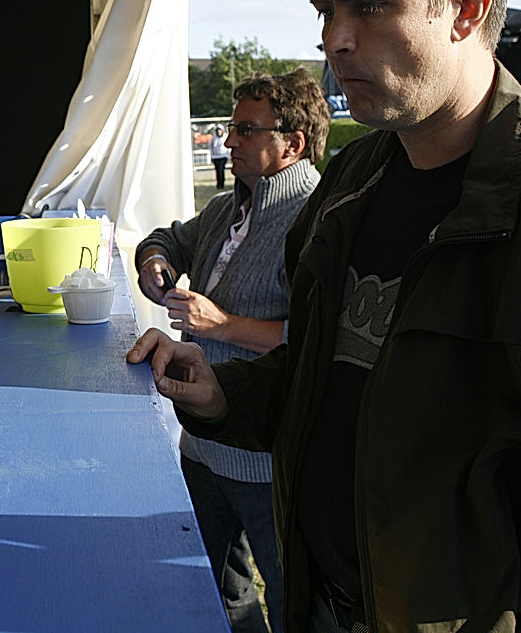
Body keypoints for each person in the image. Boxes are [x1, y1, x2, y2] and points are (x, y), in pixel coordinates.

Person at [129, 0, 521, 632]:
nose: (335, 41)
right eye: (325, 11)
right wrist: (224, 396)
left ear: (467, 6)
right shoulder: (353, 183)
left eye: (370, 7)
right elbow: (327, 377)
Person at [137, 68, 329, 633]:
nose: (228, 142)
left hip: (267, 458)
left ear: (292, 143)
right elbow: (168, 237)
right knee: (215, 587)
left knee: (293, 596)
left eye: (246, 130)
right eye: (230, 127)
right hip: (202, 443)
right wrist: (155, 262)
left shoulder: (318, 219)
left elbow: (321, 341)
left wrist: (221, 324)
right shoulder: (228, 206)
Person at [209, 123, 230, 190]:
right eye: (217, 130)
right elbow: (211, 147)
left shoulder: (225, 137)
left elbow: (228, 147)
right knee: (218, 171)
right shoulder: (213, 138)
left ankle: (222, 183)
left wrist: (228, 155)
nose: (219, 132)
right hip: (216, 157)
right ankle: (218, 184)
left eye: (220, 130)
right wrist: (212, 156)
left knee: (221, 170)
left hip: (223, 156)